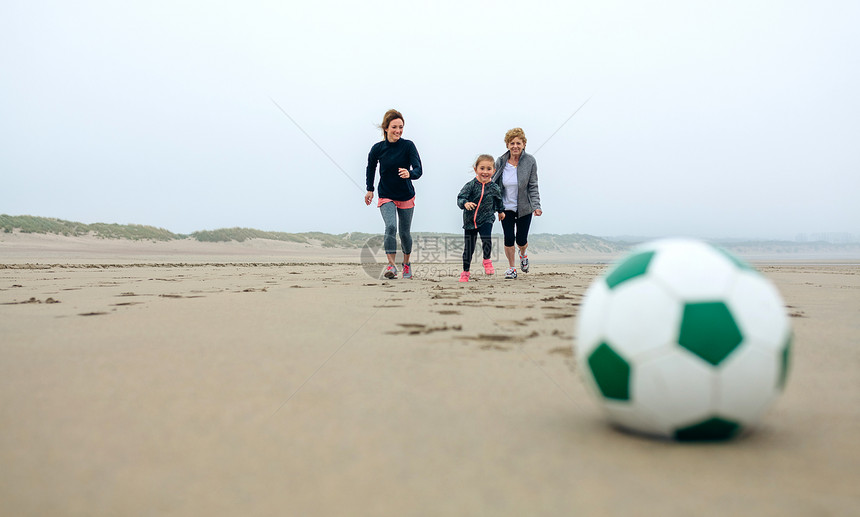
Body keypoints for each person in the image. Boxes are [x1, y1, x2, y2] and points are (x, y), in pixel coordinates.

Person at [365, 109, 423, 279]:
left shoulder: (408, 145)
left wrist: (410, 173)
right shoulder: (378, 148)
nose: (398, 130)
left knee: (405, 233)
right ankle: (391, 266)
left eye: (401, 127)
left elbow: (419, 169)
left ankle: (406, 264)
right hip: (386, 194)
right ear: (386, 128)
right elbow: (371, 168)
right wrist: (370, 189)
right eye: (394, 127)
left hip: (406, 194)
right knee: (390, 227)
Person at [492, 127, 542, 279]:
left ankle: (523, 254)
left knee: (521, 239)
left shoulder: (530, 161)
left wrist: (537, 206)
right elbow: (493, 184)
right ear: (507, 145)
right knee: (508, 237)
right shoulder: (500, 161)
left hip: (524, 207)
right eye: (512, 143)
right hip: (505, 207)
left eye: (518, 143)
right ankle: (512, 268)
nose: (515, 146)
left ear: (524, 144)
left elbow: (533, 185)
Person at [457, 155, 505, 282]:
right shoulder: (471, 185)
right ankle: (465, 272)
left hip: (487, 218)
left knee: (486, 239)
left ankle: (487, 260)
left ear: (493, 171)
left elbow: (499, 200)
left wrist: (501, 211)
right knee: (469, 248)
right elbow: (461, 197)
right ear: (475, 169)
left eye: (488, 169)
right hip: (470, 221)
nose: (485, 172)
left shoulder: (494, 188)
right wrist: (465, 203)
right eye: (482, 168)